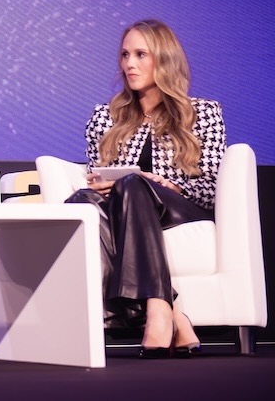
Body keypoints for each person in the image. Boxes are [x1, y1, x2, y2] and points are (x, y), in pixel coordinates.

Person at [66, 18, 225, 359]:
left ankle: (155, 310)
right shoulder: (104, 117)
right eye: (125, 55)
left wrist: (169, 184)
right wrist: (102, 184)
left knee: (135, 184)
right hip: (126, 207)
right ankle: (172, 311)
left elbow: (210, 187)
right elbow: (98, 176)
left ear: (163, 59)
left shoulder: (203, 113)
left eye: (141, 54)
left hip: (180, 209)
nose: (129, 64)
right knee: (82, 200)